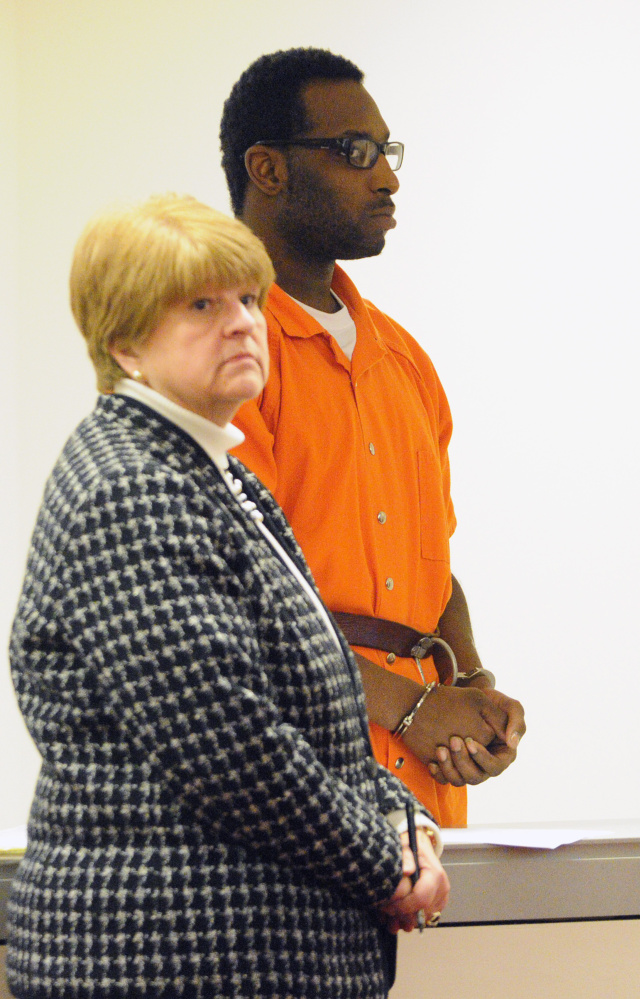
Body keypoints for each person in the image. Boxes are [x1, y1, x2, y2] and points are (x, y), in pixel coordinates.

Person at [6, 194, 449, 999]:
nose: (244, 322)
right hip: (174, 960)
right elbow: (229, 742)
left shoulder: (224, 476)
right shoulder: (131, 486)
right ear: (126, 343)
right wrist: (386, 859)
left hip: (253, 956)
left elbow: (325, 711)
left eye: (248, 298)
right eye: (201, 305)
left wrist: (402, 815)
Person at [220, 48, 526, 827]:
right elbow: (233, 603)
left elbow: (436, 572)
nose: (387, 177)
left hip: (423, 803)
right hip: (296, 792)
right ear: (268, 169)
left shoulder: (405, 359)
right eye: (356, 152)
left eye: (387, 153)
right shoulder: (222, 352)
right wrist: (416, 707)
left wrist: (472, 692)